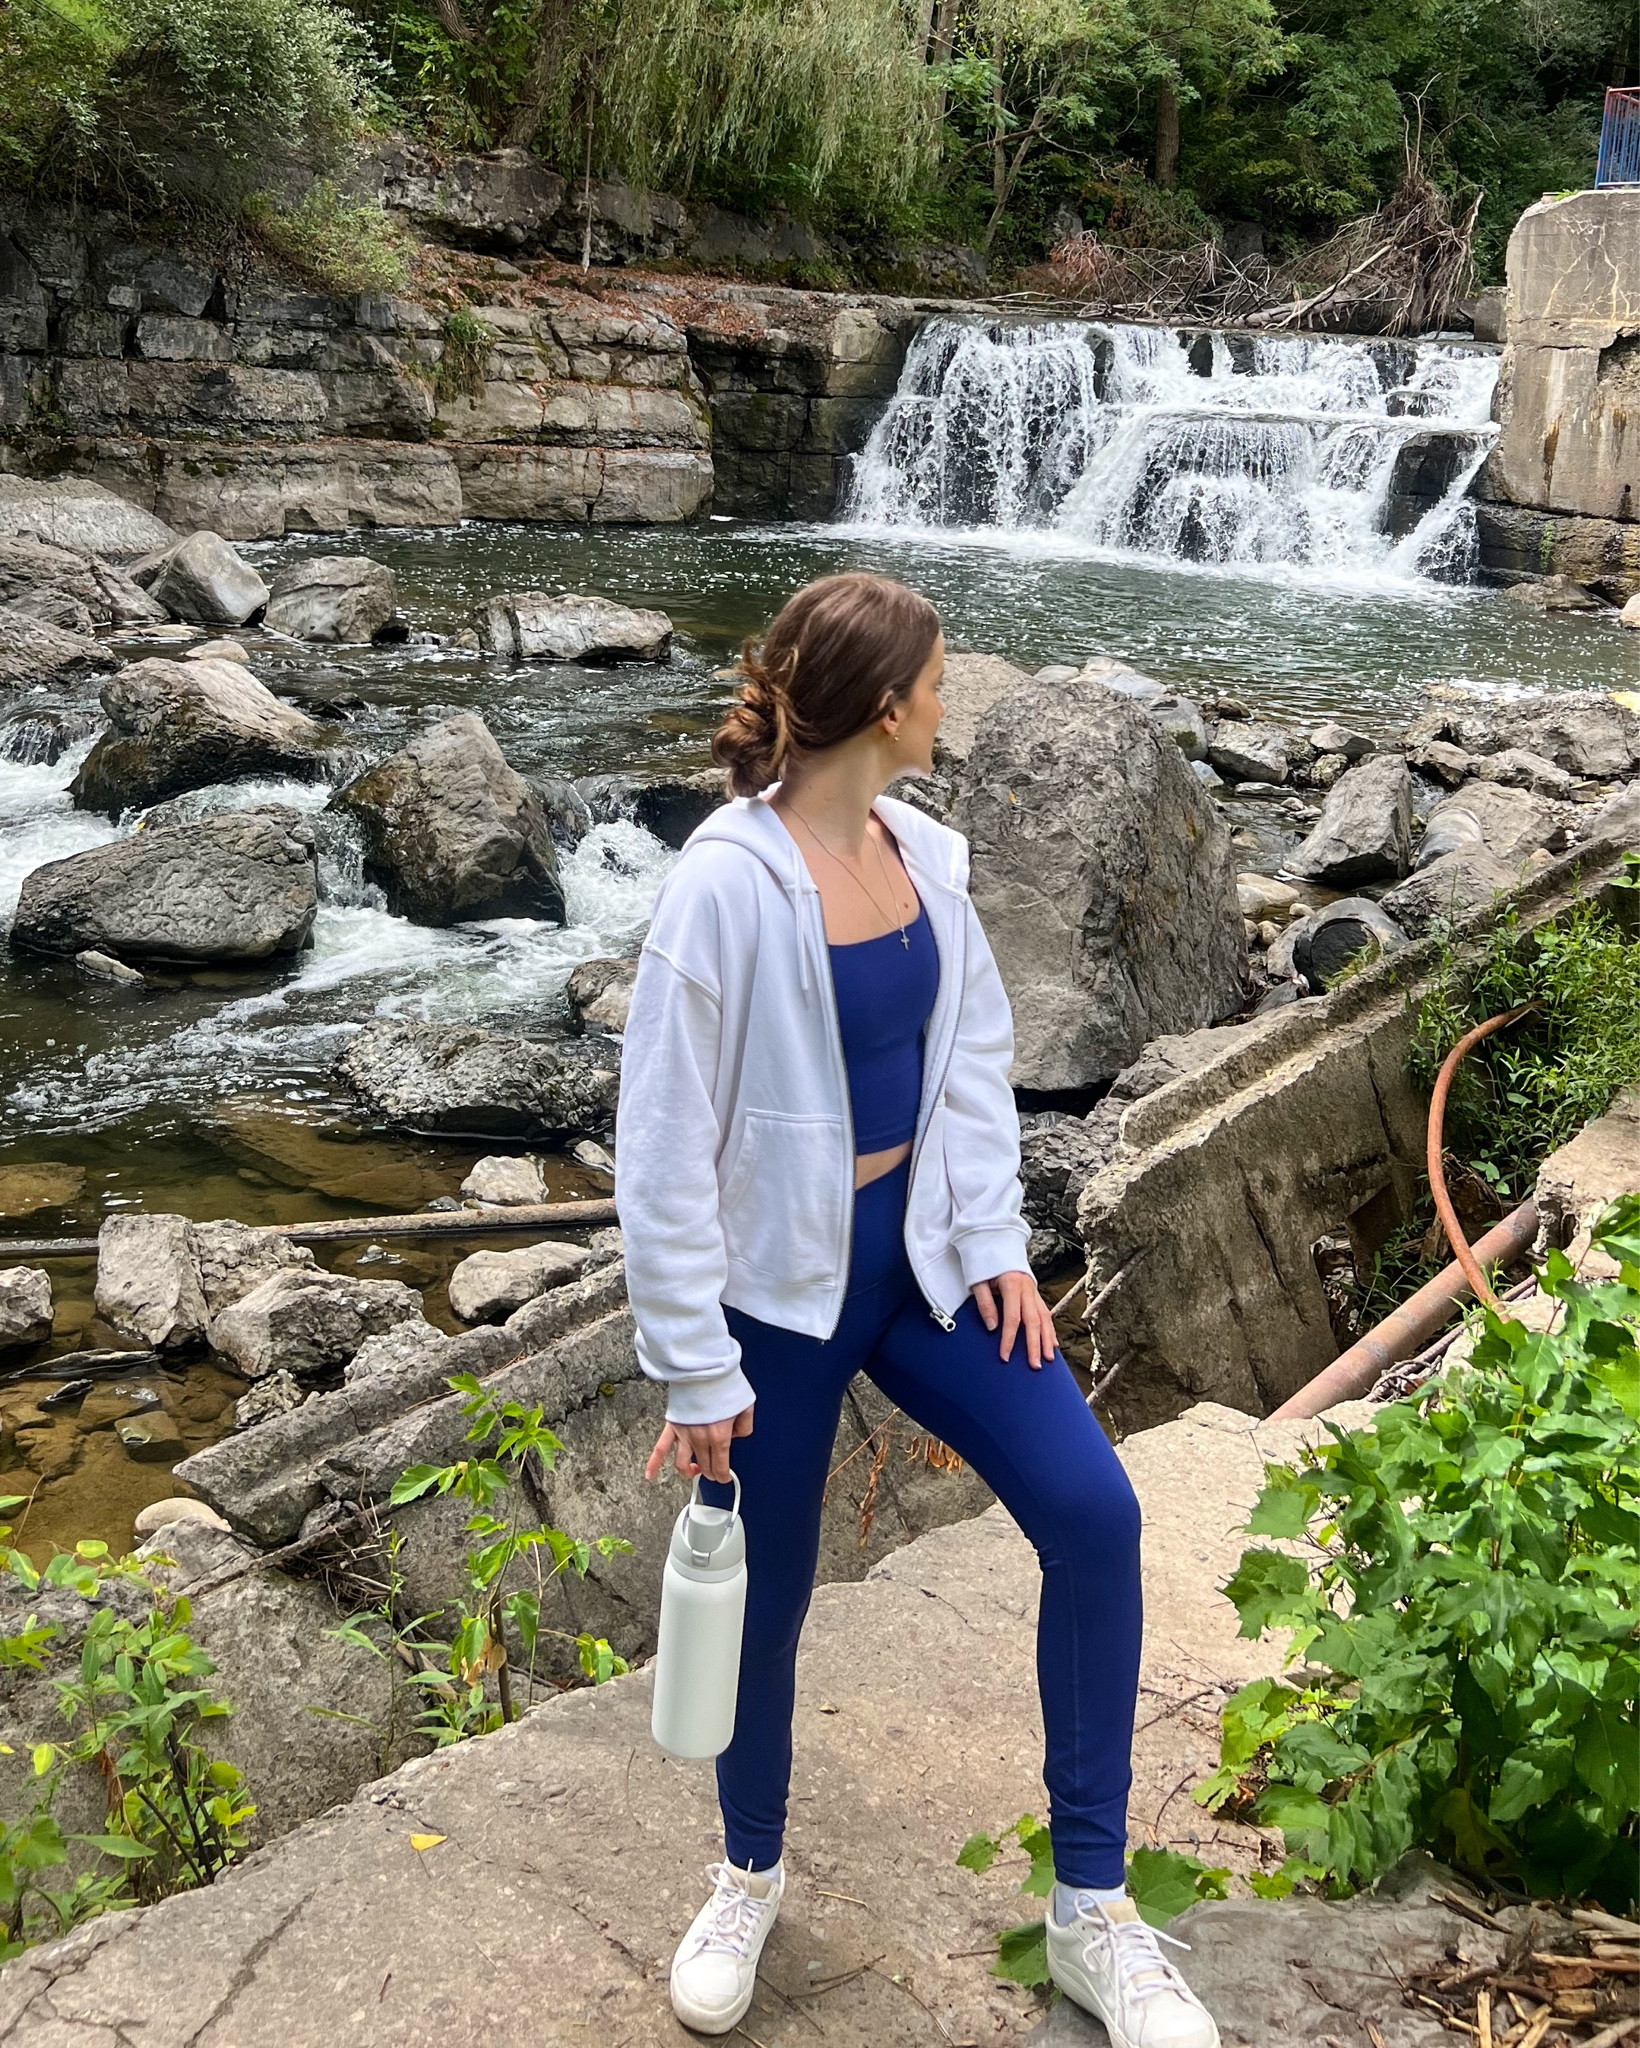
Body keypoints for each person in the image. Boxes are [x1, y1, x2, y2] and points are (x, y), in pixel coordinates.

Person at [615, 572, 1220, 2048]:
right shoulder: (721, 889)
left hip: (929, 1269)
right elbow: (662, 1150)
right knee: (765, 1601)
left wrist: (996, 1243)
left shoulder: (927, 855)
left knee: (1094, 1513)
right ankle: (746, 1872)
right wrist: (696, 1369)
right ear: (886, 710)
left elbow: (972, 1067)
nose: (954, 704)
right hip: (780, 1301)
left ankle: (1093, 1909)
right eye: (941, 682)